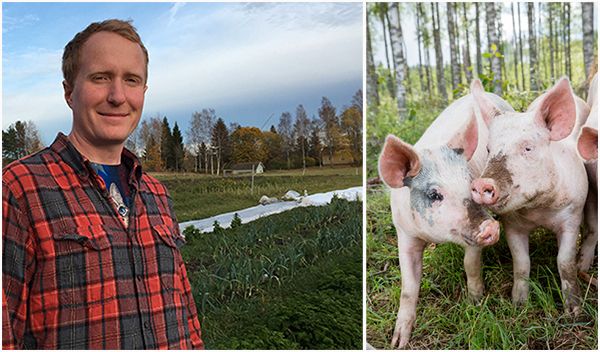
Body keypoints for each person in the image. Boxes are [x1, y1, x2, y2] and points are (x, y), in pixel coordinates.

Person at [2, 19, 204, 349]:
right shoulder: (19, 188)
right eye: (101, 78)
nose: (117, 96)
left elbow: (186, 315)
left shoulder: (156, 194)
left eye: (132, 80)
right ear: (69, 91)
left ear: (144, 92)